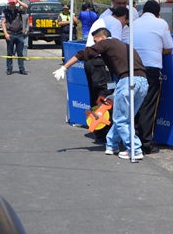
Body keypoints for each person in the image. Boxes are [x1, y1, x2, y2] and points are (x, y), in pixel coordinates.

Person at [53, 21, 149, 161]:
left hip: (127, 80)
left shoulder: (105, 43)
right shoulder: (125, 46)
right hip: (142, 82)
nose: (95, 44)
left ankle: (135, 150)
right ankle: (111, 145)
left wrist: (64, 68)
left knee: (121, 119)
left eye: (96, 41)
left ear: (103, 37)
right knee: (125, 118)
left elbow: (82, 54)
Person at [132, 0, 173, 154]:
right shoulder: (161, 23)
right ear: (158, 13)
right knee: (149, 106)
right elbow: (169, 48)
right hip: (151, 70)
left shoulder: (134, 23)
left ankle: (131, 140)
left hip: (133, 68)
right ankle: (145, 143)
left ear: (143, 11)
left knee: (134, 105)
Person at [2, 0, 29, 75]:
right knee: (10, 53)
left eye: (14, 3)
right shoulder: (5, 11)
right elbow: (3, 23)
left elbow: (26, 6)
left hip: (19, 34)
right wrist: (6, 34)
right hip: (10, 33)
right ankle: (9, 69)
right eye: (11, 2)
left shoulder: (19, 10)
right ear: (9, 3)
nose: (13, 4)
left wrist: (18, 1)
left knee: (20, 53)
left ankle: (21, 69)